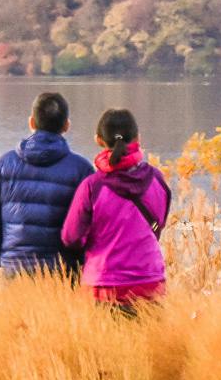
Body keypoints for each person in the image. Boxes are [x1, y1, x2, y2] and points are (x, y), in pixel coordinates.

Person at [60, 107, 170, 309]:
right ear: (138, 137)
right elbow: (159, 224)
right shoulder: (157, 179)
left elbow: (71, 237)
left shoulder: (92, 187)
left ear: (98, 140)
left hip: (103, 286)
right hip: (149, 283)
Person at [0, 91, 94, 276]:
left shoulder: (1, 166)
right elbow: (91, 226)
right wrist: (81, 262)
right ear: (66, 125)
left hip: (15, 270)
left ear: (31, 122)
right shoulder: (82, 170)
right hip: (63, 272)